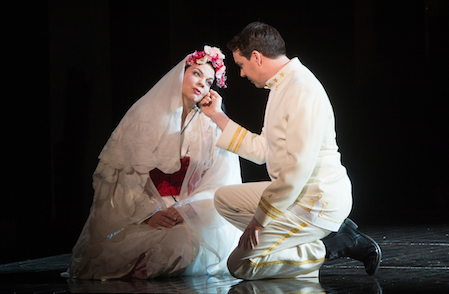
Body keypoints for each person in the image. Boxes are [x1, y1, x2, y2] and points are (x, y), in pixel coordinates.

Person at [200, 22, 381, 280]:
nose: (241, 74)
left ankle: (334, 244)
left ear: (256, 57)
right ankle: (302, 241)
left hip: (316, 200)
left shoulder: (301, 88)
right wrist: (217, 117)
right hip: (296, 193)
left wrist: (259, 221)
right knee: (224, 199)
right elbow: (263, 150)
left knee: (240, 265)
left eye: (241, 65)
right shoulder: (280, 86)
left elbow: (297, 169)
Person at [62, 46, 242, 280]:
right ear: (181, 73)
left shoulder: (209, 127)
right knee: (112, 257)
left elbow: (220, 181)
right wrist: (149, 214)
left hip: (189, 215)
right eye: (196, 73)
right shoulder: (145, 116)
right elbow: (124, 177)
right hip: (144, 212)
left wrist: (185, 210)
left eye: (209, 81)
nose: (201, 83)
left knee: (180, 249)